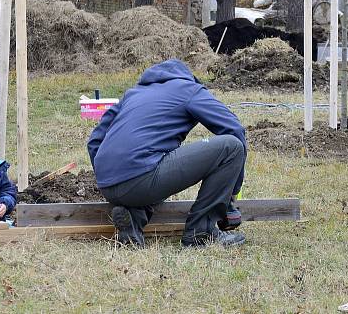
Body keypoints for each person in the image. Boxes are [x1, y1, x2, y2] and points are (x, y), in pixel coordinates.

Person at [87, 59, 247, 248]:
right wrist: (231, 196)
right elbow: (235, 129)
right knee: (231, 146)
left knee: (156, 161)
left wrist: (110, 178)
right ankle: (201, 233)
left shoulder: (133, 93)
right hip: (141, 180)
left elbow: (94, 141)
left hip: (109, 186)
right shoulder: (189, 89)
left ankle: (133, 219)